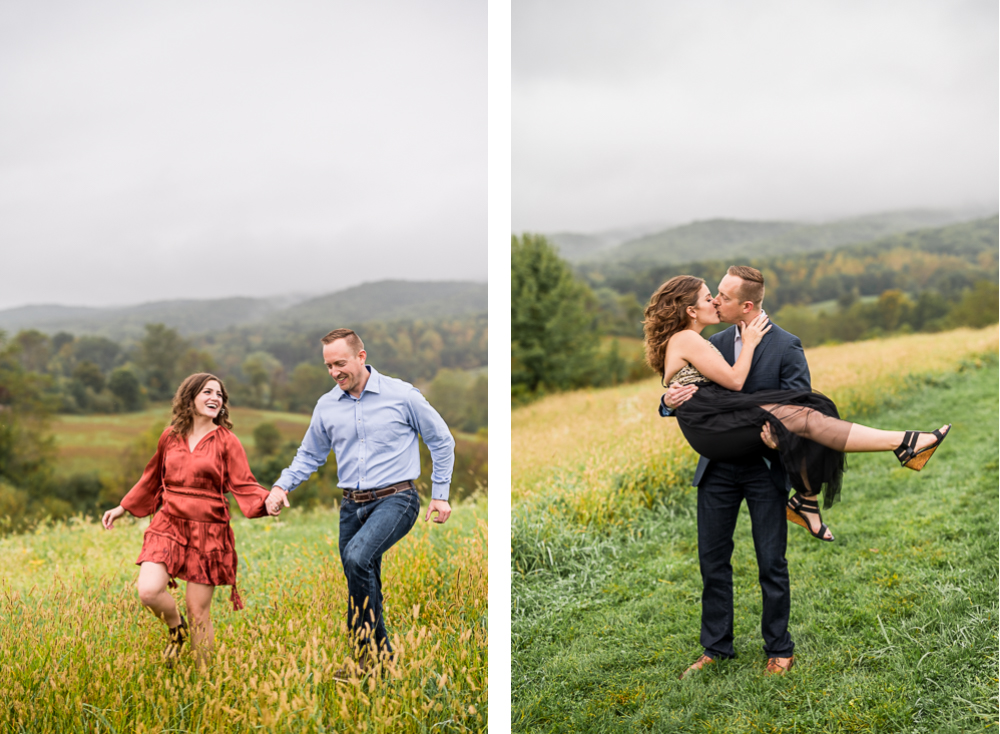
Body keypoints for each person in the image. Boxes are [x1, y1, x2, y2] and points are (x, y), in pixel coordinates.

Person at [650, 268, 949, 678]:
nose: (716, 302)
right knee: (712, 561)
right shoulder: (711, 340)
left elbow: (797, 400)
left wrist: (780, 438)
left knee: (771, 561)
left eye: (722, 296)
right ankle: (715, 649)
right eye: (712, 296)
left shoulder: (786, 345)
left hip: (763, 466)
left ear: (747, 305)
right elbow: (692, 389)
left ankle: (779, 648)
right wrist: (667, 401)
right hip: (717, 466)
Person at [265, 328, 455, 674]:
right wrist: (281, 487)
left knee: (356, 558)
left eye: (340, 363)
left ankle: (363, 652)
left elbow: (441, 440)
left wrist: (440, 495)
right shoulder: (326, 406)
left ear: (361, 357)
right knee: (361, 573)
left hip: (397, 499)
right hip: (351, 506)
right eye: (328, 366)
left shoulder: (402, 396)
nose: (334, 372)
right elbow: (310, 454)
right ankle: (382, 663)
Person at [102, 373, 276, 667]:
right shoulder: (169, 437)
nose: (215, 398)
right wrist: (123, 507)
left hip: (209, 531)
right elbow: (152, 477)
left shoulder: (227, 442)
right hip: (168, 523)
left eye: (219, 394)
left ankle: (203, 680)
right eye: (207, 392)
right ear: (190, 397)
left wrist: (267, 501)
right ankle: (175, 627)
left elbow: (244, 483)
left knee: (198, 611)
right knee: (148, 591)